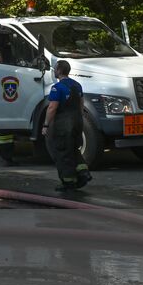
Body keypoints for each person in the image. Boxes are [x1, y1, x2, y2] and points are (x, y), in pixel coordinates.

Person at [42, 60, 91, 192]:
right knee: (74, 149)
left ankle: (68, 182)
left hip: (64, 124)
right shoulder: (77, 85)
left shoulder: (57, 88)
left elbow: (52, 107)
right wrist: (79, 119)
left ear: (59, 70)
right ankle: (83, 172)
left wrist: (46, 125)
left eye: (55, 69)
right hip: (77, 121)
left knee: (63, 152)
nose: (54, 71)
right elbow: (81, 104)